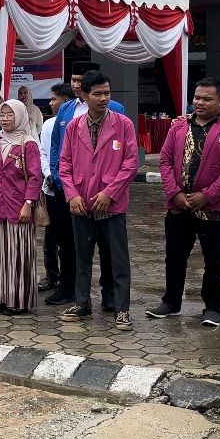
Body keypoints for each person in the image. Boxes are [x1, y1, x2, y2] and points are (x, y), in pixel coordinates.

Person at [146, 78, 220, 327]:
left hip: (214, 209)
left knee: (215, 259)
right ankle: (171, 302)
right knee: (174, 256)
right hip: (179, 206)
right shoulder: (178, 127)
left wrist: (207, 195)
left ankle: (214, 307)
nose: (200, 102)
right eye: (197, 97)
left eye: (207, 99)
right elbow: (164, 161)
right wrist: (174, 192)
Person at [57, 71, 138, 331]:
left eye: (107, 93)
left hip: (111, 205)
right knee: (81, 256)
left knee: (118, 259)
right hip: (82, 203)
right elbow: (65, 164)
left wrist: (110, 192)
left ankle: (121, 309)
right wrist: (72, 194)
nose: (103, 98)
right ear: (85, 95)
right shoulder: (73, 126)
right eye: (97, 94)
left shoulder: (123, 124)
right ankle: (83, 303)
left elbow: (130, 164)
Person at [45, 65, 116, 310]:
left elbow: (123, 158)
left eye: (80, 81)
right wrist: (59, 179)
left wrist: (108, 190)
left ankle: (109, 293)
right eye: (73, 80)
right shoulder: (66, 110)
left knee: (107, 247)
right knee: (69, 243)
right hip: (69, 191)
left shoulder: (115, 111)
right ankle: (69, 288)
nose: (75, 85)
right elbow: (57, 147)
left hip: (103, 194)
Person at [0, 100, 42, 314]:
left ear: (20, 116)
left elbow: (35, 177)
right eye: (2, 115)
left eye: (10, 115)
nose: (4, 119)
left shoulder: (28, 143)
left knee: (17, 254)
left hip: (17, 206)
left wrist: (28, 203)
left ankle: (17, 300)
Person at [38, 83, 75, 293]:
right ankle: (51, 275)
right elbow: (44, 152)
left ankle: (69, 278)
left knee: (68, 237)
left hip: (71, 190)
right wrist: (50, 174)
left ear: (67, 101)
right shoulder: (49, 124)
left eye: (54, 99)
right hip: (52, 186)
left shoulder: (75, 122)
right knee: (50, 235)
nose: (51, 103)